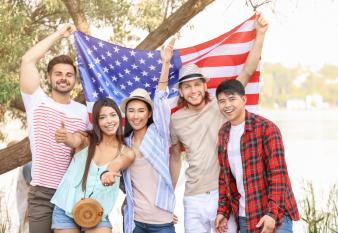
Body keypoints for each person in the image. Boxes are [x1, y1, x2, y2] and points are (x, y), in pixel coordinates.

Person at [168, 13, 269, 233]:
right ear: (181, 92)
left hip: (222, 195)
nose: (193, 90)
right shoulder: (175, 120)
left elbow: (247, 72)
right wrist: (169, 197)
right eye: (187, 87)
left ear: (205, 86)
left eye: (197, 85)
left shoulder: (220, 106)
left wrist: (260, 35)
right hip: (192, 196)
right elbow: (175, 157)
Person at [101, 38, 177, 233]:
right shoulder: (124, 143)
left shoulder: (159, 135)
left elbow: (160, 97)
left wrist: (165, 63)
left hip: (162, 222)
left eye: (141, 110)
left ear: (149, 113)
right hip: (135, 221)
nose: (136, 116)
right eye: (132, 111)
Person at [20, 24, 90, 233]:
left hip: (72, 193)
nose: (63, 78)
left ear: (74, 81)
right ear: (49, 77)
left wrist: (72, 139)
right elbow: (27, 60)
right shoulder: (36, 100)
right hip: (42, 193)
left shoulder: (82, 111)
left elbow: (89, 144)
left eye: (69, 75)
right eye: (58, 73)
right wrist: (59, 34)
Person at [214, 79, 300, 233]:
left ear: (244, 99)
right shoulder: (223, 133)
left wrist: (272, 214)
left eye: (232, 99)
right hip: (245, 216)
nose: (227, 105)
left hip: (275, 217)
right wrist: (223, 211)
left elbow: (278, 175)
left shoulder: (266, 128)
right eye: (222, 101)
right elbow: (225, 178)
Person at [52, 97, 135, 232]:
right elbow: (73, 140)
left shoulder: (127, 153)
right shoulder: (86, 139)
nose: (109, 121)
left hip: (96, 213)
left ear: (119, 118)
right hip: (65, 208)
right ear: (96, 121)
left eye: (113, 115)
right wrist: (65, 137)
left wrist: (107, 174)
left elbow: (116, 164)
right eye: (103, 117)